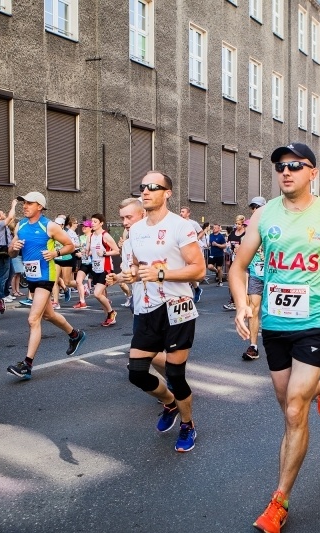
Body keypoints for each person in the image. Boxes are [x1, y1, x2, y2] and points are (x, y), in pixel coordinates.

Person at [230, 142, 320, 533]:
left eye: (295, 165)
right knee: (286, 401)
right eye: (279, 166)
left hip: (316, 321)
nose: (285, 171)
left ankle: (279, 501)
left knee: (294, 410)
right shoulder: (263, 216)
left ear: (313, 173)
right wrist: (242, 303)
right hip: (275, 324)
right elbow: (239, 266)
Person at [122, 171, 206, 453]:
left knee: (175, 372)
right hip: (147, 307)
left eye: (153, 187)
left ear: (167, 193)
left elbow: (199, 269)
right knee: (136, 373)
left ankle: (187, 424)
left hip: (177, 308)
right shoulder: (135, 229)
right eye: (142, 187)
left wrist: (161, 272)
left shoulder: (181, 227)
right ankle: (170, 403)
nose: (145, 191)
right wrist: (128, 276)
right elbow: (136, 266)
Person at [7, 192, 87, 380]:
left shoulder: (49, 226)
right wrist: (13, 248)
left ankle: (27, 365)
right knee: (49, 314)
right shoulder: (21, 225)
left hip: (46, 275)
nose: (25, 206)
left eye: (29, 203)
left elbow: (70, 245)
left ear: (39, 206)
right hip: (31, 276)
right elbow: (11, 253)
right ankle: (75, 335)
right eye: (24, 203)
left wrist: (55, 253)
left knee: (33, 319)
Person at [242, 196, 267, 361]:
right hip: (256, 276)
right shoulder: (247, 235)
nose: (255, 210)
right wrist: (243, 290)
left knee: (273, 313)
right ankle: (253, 346)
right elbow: (243, 265)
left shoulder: (273, 230)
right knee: (253, 309)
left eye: (258, 207)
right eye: (253, 208)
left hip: (275, 276)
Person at [86, 213, 120, 326]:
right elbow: (93, 251)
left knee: (97, 293)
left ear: (101, 223)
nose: (93, 224)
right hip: (95, 268)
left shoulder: (105, 236)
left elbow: (116, 250)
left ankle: (111, 312)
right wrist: (86, 252)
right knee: (101, 295)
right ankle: (109, 317)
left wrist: (105, 253)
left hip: (106, 268)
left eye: (95, 222)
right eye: (92, 221)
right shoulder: (91, 236)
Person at [0, 199, 18, 310]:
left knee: (11, 272)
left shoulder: (3, 225)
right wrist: (13, 205)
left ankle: (6, 293)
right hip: (1, 252)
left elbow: (12, 217)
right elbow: (10, 217)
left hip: (6, 251)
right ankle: (0, 296)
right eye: (2, 213)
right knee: (3, 275)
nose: (4, 214)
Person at [180, 206, 206, 302]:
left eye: (183, 212)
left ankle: (195, 290)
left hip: (190, 249)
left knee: (188, 272)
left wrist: (196, 239)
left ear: (188, 213)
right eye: (180, 211)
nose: (181, 213)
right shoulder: (178, 222)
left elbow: (201, 232)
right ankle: (194, 290)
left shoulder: (193, 223)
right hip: (180, 249)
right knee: (182, 271)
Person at [223, 215, 247, 311]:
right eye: (236, 223)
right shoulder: (233, 233)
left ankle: (241, 302)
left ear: (243, 224)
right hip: (233, 259)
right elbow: (228, 245)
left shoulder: (245, 234)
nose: (237, 225)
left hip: (242, 260)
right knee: (232, 280)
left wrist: (240, 247)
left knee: (241, 281)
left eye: (239, 224)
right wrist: (228, 250)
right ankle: (233, 301)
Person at [73, 219, 93, 309]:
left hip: (94, 263)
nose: (83, 228)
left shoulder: (94, 237)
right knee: (78, 281)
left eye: (86, 226)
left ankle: (105, 300)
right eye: (82, 226)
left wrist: (89, 252)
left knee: (99, 285)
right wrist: (77, 253)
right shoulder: (81, 238)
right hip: (85, 263)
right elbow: (78, 248)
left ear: (91, 228)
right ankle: (82, 301)